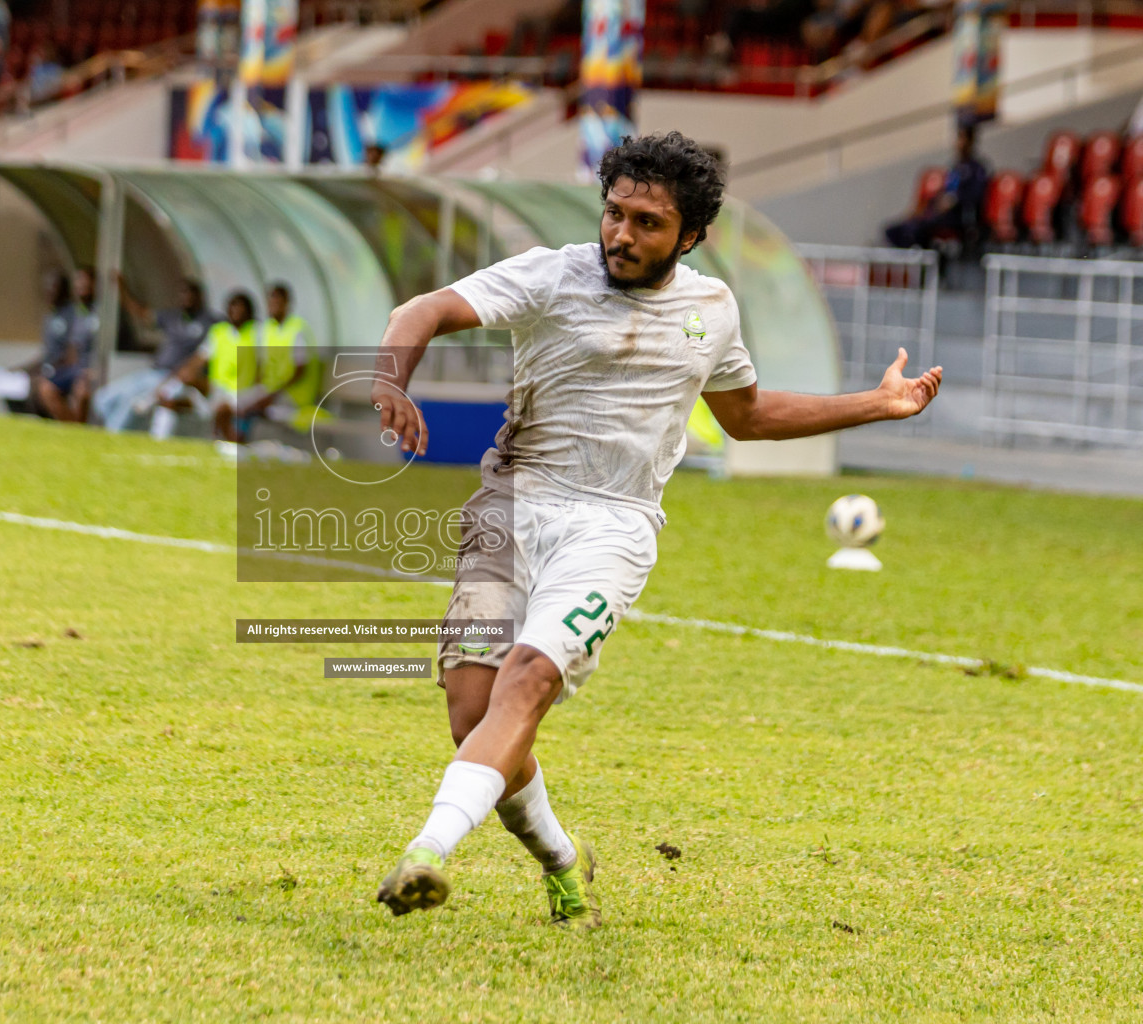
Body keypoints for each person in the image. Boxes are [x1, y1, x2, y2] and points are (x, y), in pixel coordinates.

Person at [370, 131, 942, 929]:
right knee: (473, 718)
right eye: (615, 213)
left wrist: (876, 404)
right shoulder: (552, 273)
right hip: (509, 506)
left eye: (647, 224)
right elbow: (420, 309)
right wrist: (390, 381)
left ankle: (426, 856)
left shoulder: (710, 309)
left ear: (692, 236)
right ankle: (563, 861)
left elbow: (747, 415)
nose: (622, 236)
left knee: (526, 683)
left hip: (613, 527)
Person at [95, 277, 219, 437]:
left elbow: (206, 354)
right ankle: (126, 436)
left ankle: (111, 439)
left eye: (191, 294)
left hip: (173, 377)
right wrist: (122, 289)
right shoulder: (172, 316)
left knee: (131, 403)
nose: (186, 297)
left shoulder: (211, 322)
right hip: (152, 371)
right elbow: (141, 313)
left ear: (201, 297)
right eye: (183, 293)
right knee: (102, 399)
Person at [161, 291, 259, 443]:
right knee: (171, 399)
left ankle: (226, 441)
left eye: (240, 308)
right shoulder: (219, 332)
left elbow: (264, 367)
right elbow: (200, 358)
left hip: (243, 392)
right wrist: (182, 373)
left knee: (222, 409)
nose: (235, 312)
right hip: (217, 389)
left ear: (248, 311)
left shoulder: (257, 333)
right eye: (232, 307)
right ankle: (159, 439)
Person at [885, 123, 989, 249]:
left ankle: (921, 261)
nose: (958, 143)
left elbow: (976, 195)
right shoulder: (954, 167)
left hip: (958, 217)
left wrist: (954, 199)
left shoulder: (977, 169)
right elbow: (946, 191)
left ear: (971, 141)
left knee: (917, 229)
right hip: (940, 214)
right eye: (958, 138)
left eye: (962, 138)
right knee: (894, 230)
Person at [242, 283, 319, 434]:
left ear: (287, 304)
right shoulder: (267, 328)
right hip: (272, 390)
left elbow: (299, 372)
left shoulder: (297, 330)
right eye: (271, 302)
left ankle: (243, 441)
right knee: (239, 401)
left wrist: (271, 394)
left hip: (294, 397)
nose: (273, 306)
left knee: (254, 406)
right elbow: (262, 365)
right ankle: (233, 442)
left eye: (277, 302)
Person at [34, 266, 97, 423]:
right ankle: (73, 428)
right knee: (45, 387)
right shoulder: (73, 314)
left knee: (81, 391)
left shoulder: (98, 313)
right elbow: (72, 348)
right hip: (72, 369)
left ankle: (78, 430)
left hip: (89, 369)